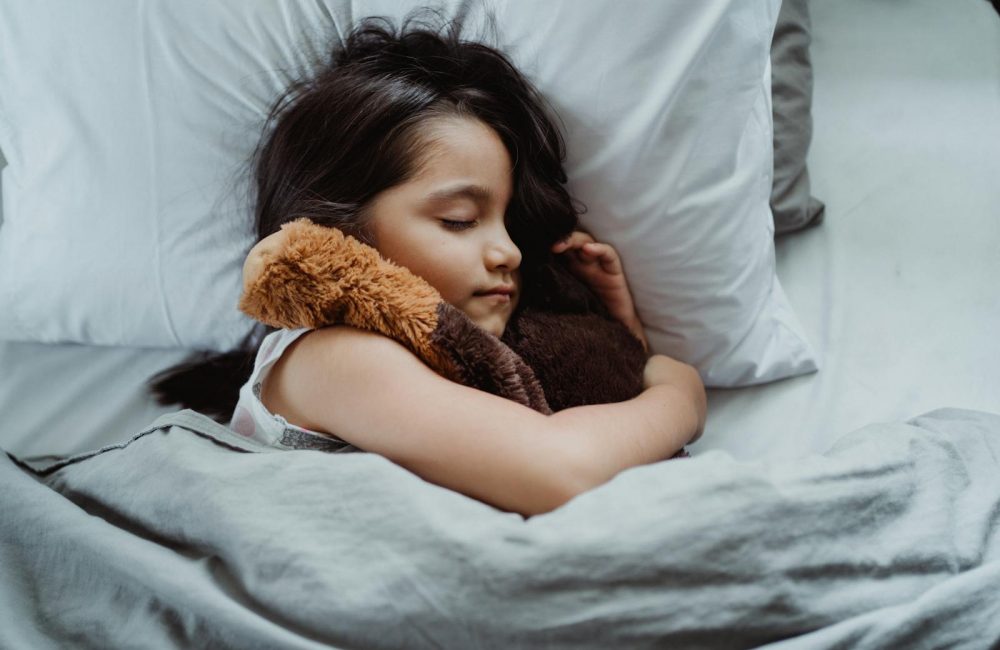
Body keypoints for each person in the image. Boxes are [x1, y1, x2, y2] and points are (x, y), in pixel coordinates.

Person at [150, 13, 705, 518]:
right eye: (460, 220)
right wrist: (680, 395)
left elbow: (593, 421)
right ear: (336, 231)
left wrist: (620, 336)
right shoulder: (332, 356)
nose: (509, 252)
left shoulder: (471, 359)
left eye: (510, 224)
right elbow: (561, 471)